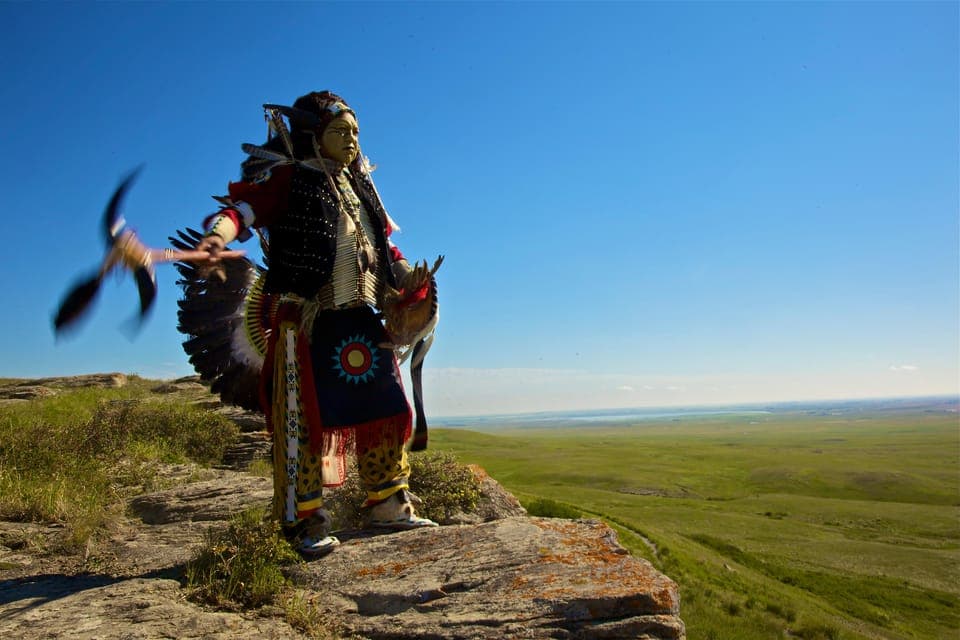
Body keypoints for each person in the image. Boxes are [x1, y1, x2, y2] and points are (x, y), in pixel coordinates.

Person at [194, 91, 439, 556]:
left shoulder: (360, 187)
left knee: (387, 407)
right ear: (314, 135)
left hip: (361, 319)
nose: (352, 140)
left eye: (356, 132)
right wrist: (216, 238)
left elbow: (386, 248)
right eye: (340, 131)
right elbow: (241, 213)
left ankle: (388, 504)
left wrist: (409, 277)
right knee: (303, 422)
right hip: (307, 322)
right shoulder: (289, 178)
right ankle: (302, 523)